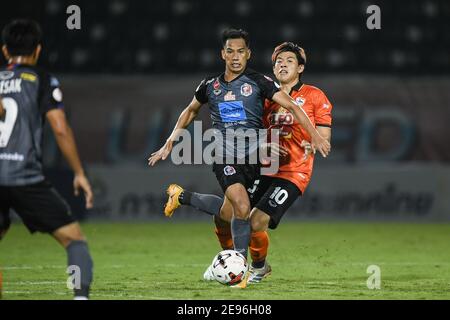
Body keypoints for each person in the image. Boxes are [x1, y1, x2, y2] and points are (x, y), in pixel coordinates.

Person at [148, 29, 330, 287]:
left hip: (256, 161)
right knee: (244, 210)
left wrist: (314, 139)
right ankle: (239, 271)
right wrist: (169, 143)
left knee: (227, 212)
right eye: (230, 51)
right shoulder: (209, 86)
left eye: (241, 51)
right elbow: (190, 111)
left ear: (248, 54)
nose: (235, 56)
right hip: (225, 155)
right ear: (223, 54)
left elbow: (290, 107)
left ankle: (181, 196)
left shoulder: (260, 83)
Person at [0, 19, 94, 299]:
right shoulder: (42, 79)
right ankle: (80, 297)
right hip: (25, 177)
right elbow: (60, 127)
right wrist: (78, 172)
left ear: (5, 51)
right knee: (74, 240)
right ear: (38, 50)